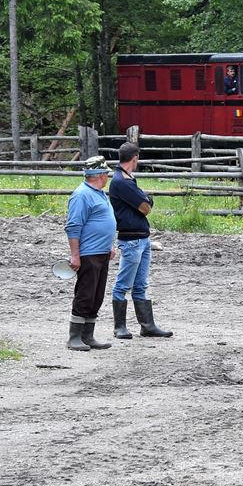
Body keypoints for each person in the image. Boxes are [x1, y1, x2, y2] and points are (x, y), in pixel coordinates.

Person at [109, 142, 173, 339]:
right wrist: (145, 200)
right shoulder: (122, 181)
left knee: (140, 284)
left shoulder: (126, 178)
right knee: (123, 284)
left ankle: (147, 325)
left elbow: (144, 204)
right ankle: (120, 327)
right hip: (131, 239)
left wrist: (144, 201)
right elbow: (145, 207)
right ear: (134, 158)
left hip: (141, 238)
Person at [64, 156, 117, 351]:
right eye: (106, 173)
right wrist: (75, 255)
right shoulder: (81, 195)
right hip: (88, 253)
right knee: (85, 294)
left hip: (102, 252)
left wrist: (109, 244)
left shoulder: (99, 193)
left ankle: (88, 335)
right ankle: (74, 337)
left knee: (97, 295)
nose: (108, 176)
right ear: (100, 175)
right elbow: (73, 226)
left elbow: (105, 222)